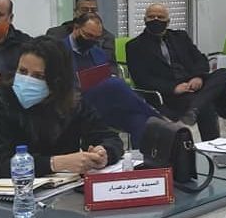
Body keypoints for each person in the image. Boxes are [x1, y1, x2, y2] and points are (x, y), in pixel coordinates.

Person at [0, 36, 122, 182]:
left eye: (38, 76)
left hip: (61, 188)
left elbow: (108, 137)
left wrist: (103, 152)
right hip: (3, 189)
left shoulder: (72, 103)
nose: (27, 80)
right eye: (22, 71)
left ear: (57, 80)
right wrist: (55, 163)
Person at [125, 3, 226, 140]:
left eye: (160, 17)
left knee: (223, 73)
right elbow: (142, 79)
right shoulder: (135, 46)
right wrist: (173, 88)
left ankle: (194, 109)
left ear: (168, 21)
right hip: (168, 92)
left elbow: (201, 60)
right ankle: (211, 145)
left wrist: (197, 77)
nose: (156, 20)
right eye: (151, 17)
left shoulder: (180, 37)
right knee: (206, 105)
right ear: (145, 20)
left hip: (191, 82)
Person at [62, 13, 161, 147]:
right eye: (88, 35)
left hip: (101, 106)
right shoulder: (58, 50)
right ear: (76, 28)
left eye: (96, 38)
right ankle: (159, 117)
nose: (92, 41)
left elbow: (107, 74)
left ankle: (141, 157)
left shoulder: (98, 52)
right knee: (115, 84)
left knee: (140, 120)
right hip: (73, 103)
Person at [46, 0, 116, 61]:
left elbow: (110, 64)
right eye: (84, 10)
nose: (89, 13)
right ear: (75, 12)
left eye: (93, 10)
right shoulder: (56, 34)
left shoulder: (107, 37)